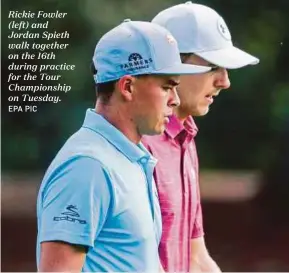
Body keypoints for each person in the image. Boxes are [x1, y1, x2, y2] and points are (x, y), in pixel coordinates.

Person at [36, 19, 211, 272]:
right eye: (166, 87)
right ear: (127, 87)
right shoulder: (87, 168)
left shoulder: (133, 158)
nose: (175, 100)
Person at [142, 2, 259, 272]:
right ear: (174, 64)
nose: (225, 81)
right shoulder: (137, 143)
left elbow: (196, 257)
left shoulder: (185, 137)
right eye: (214, 66)